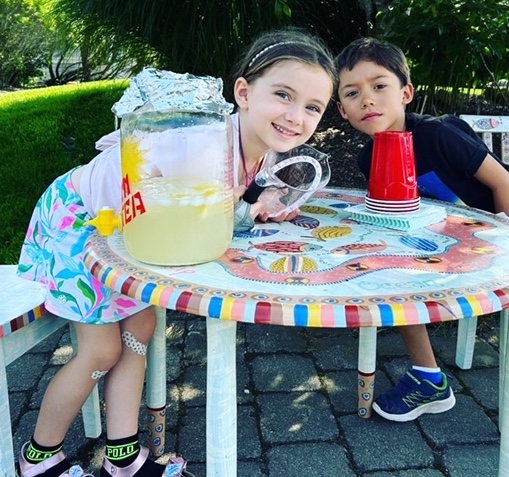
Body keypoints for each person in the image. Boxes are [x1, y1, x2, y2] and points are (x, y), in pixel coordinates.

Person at [17, 26, 336, 477]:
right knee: (101, 350)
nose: (295, 116)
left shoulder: (261, 152)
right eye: (283, 95)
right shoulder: (201, 143)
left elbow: (215, 205)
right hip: (80, 222)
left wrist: (255, 205)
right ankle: (38, 458)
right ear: (244, 93)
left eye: (312, 107)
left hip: (130, 227)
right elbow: (169, 200)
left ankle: (122, 458)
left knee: (141, 326)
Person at [334, 36, 509, 422]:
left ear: (406, 93)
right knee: (390, 270)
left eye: (379, 86)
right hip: (440, 244)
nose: (367, 100)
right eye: (352, 93)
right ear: (343, 110)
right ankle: (429, 379)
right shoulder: (369, 158)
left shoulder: (437, 135)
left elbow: (503, 182)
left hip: (491, 241)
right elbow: (394, 214)